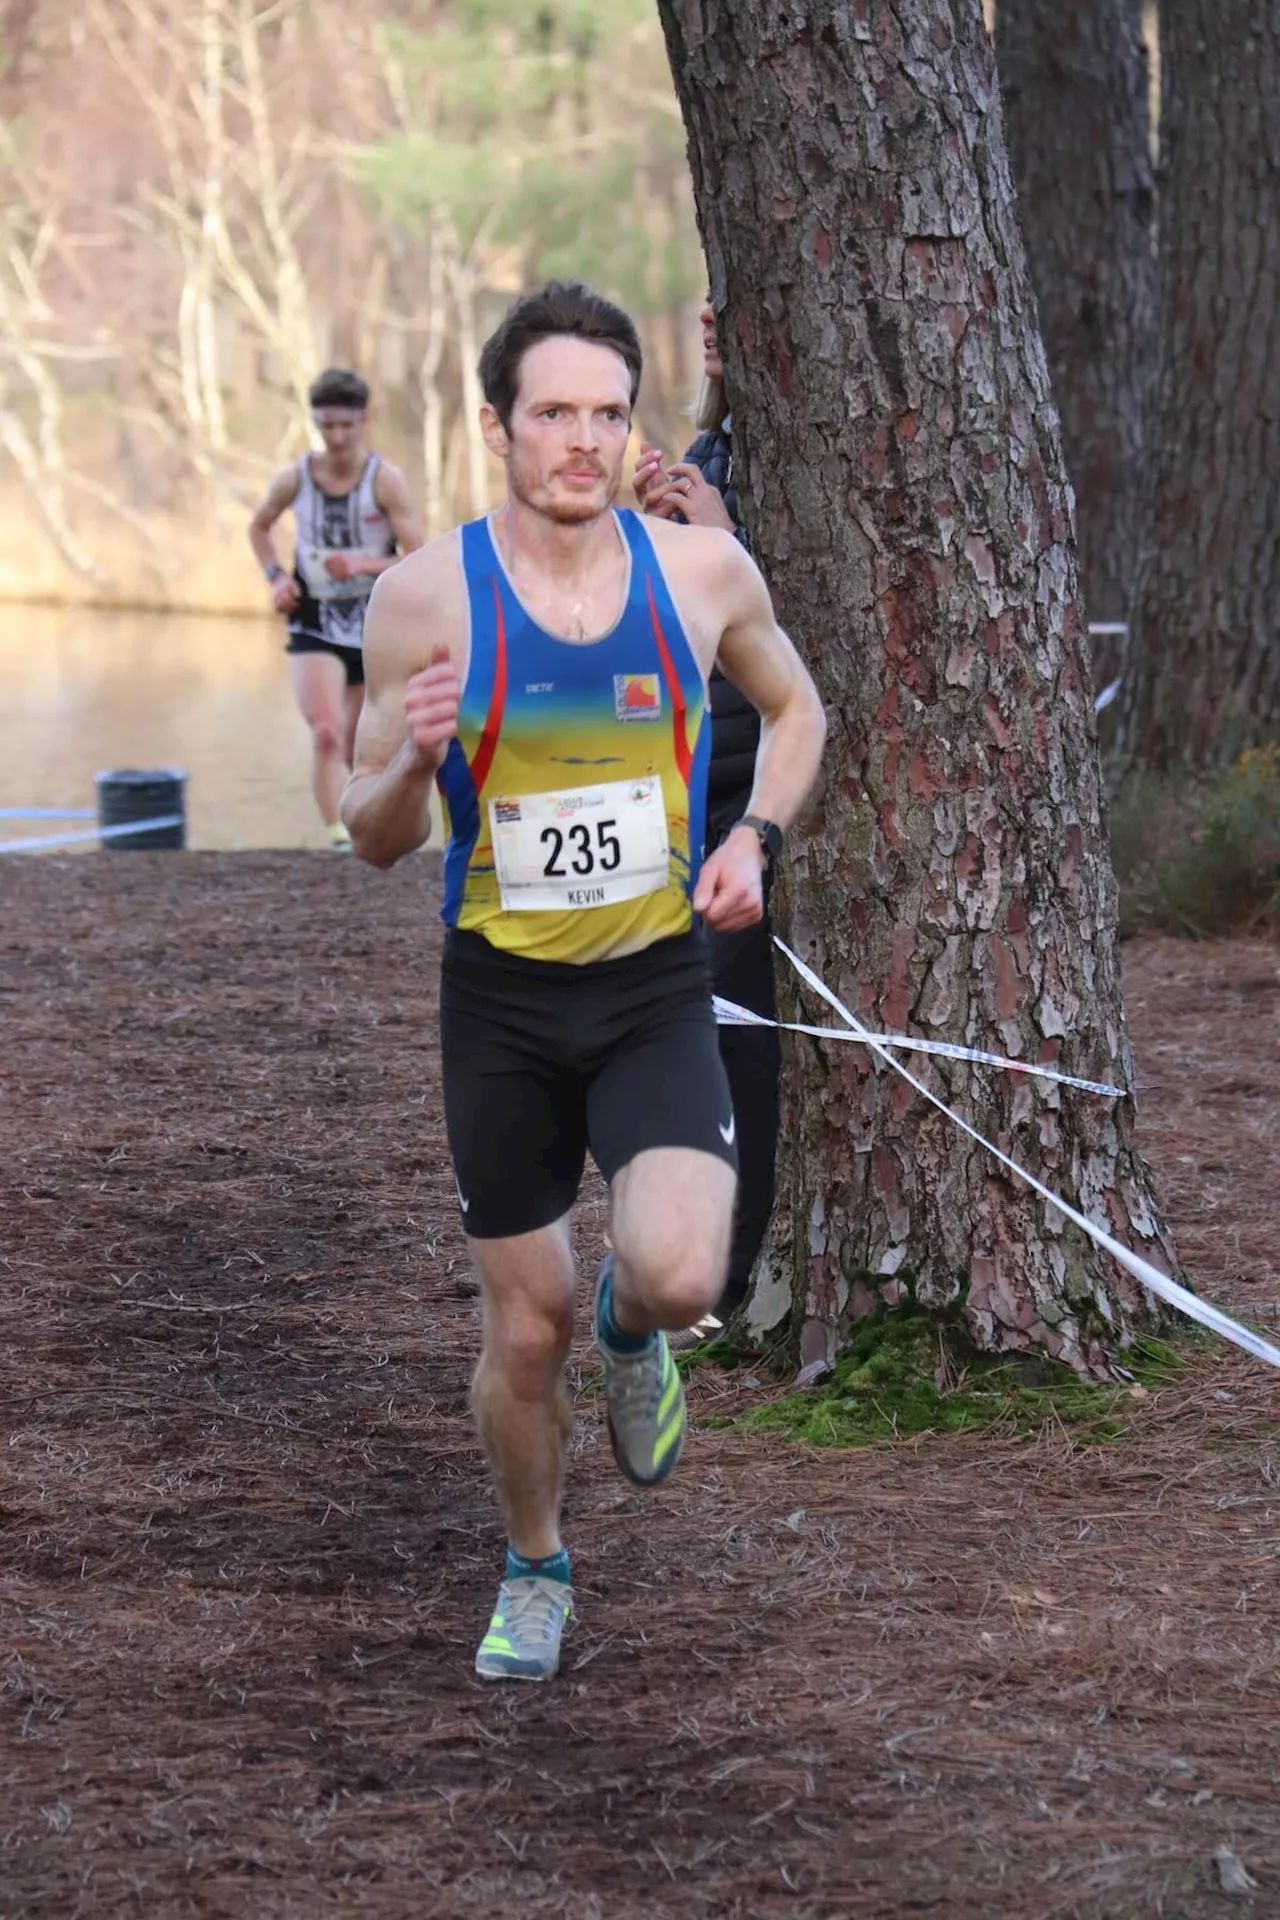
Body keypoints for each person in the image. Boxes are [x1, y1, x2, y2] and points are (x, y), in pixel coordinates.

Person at [341, 281, 826, 1683]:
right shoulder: (424, 595)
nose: (583, 440)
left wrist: (753, 836)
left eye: (607, 414)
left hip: (653, 981)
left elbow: (797, 710)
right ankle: (537, 1565)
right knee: (525, 1321)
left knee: (678, 1274)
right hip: (499, 1001)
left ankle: (639, 1333)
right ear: (497, 425)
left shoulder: (700, 574)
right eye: (553, 412)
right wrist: (407, 762)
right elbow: (372, 842)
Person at [632, 296, 781, 1335]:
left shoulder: (792, 474)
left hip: (754, 801)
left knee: (744, 1046)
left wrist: (720, 542)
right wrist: (644, 528)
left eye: (738, 317)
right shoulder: (705, 449)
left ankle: (727, 1276)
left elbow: (805, 651)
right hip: (682, 790)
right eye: (709, 321)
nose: (714, 334)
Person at [248, 369, 423, 848]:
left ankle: (368, 827)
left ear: (364, 421)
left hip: (372, 625)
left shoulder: (385, 482)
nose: (338, 437)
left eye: (347, 425)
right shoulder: (294, 479)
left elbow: (418, 554)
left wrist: (364, 562)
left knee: (355, 743)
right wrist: (276, 577)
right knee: (326, 733)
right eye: (328, 426)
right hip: (315, 620)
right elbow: (258, 529)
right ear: (316, 424)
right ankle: (338, 840)